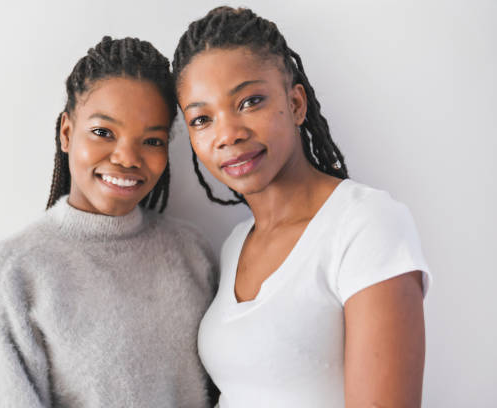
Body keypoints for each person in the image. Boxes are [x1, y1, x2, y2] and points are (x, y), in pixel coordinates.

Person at [173, 7, 432, 408]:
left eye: (249, 101)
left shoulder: (366, 224)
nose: (227, 134)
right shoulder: (234, 244)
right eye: (202, 119)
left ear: (296, 104)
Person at [0, 36, 216, 408]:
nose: (127, 157)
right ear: (67, 132)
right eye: (103, 132)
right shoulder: (16, 271)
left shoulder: (192, 252)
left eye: (152, 141)